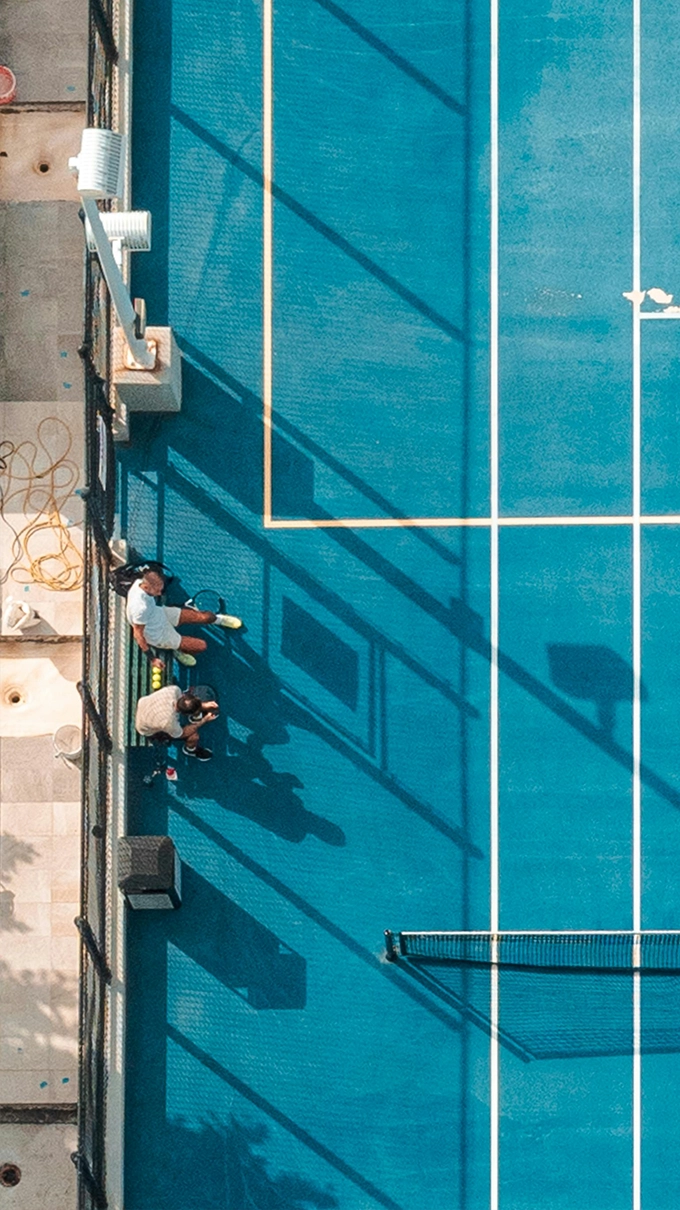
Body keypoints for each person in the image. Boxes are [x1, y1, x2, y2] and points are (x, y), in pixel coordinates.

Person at [126, 570, 242, 667]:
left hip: (160, 613)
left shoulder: (138, 583)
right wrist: (152, 659)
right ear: (146, 586)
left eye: (161, 589)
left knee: (207, 617)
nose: (160, 594)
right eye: (157, 591)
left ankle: (219, 620)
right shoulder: (140, 608)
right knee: (201, 646)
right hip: (157, 634)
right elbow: (138, 635)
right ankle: (176, 650)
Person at [135, 685, 218, 761]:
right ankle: (190, 750)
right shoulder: (168, 721)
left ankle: (195, 716)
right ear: (185, 714)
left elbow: (184, 700)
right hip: (145, 728)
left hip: (145, 705)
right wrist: (204, 720)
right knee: (193, 736)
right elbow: (183, 733)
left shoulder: (174, 690)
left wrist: (201, 705)